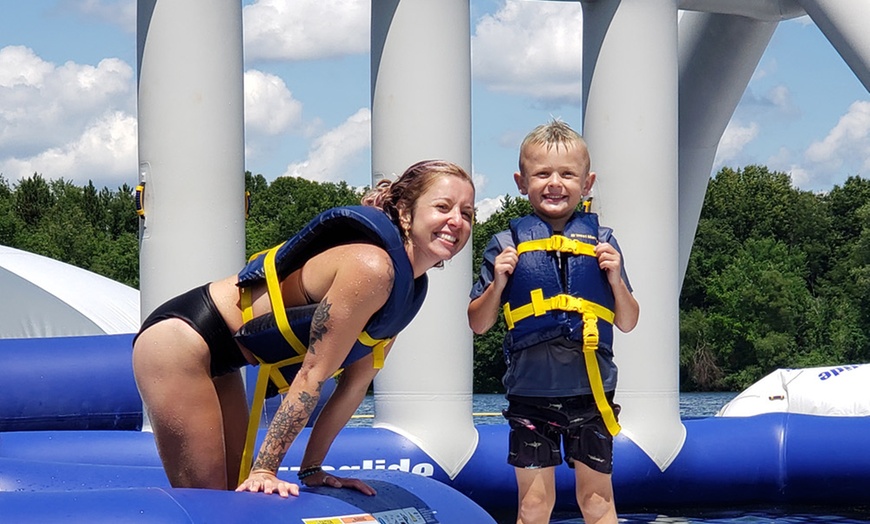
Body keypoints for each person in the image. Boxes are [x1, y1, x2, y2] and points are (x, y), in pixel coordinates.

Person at [132, 159, 475, 498]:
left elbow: (353, 386)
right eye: (443, 207)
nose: (456, 221)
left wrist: (312, 469)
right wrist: (266, 470)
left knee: (232, 494)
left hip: (224, 361)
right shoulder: (372, 269)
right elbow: (314, 375)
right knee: (209, 500)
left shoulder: (409, 289)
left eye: (468, 213)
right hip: (180, 340)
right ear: (404, 212)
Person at [467, 120, 639, 524]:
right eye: (542, 174)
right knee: (532, 504)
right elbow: (478, 323)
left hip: (591, 395)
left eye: (567, 174)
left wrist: (615, 279)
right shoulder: (505, 244)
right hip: (530, 395)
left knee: (597, 501)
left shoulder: (604, 243)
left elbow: (628, 321)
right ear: (521, 182)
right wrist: (499, 282)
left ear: (587, 182)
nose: (555, 183)